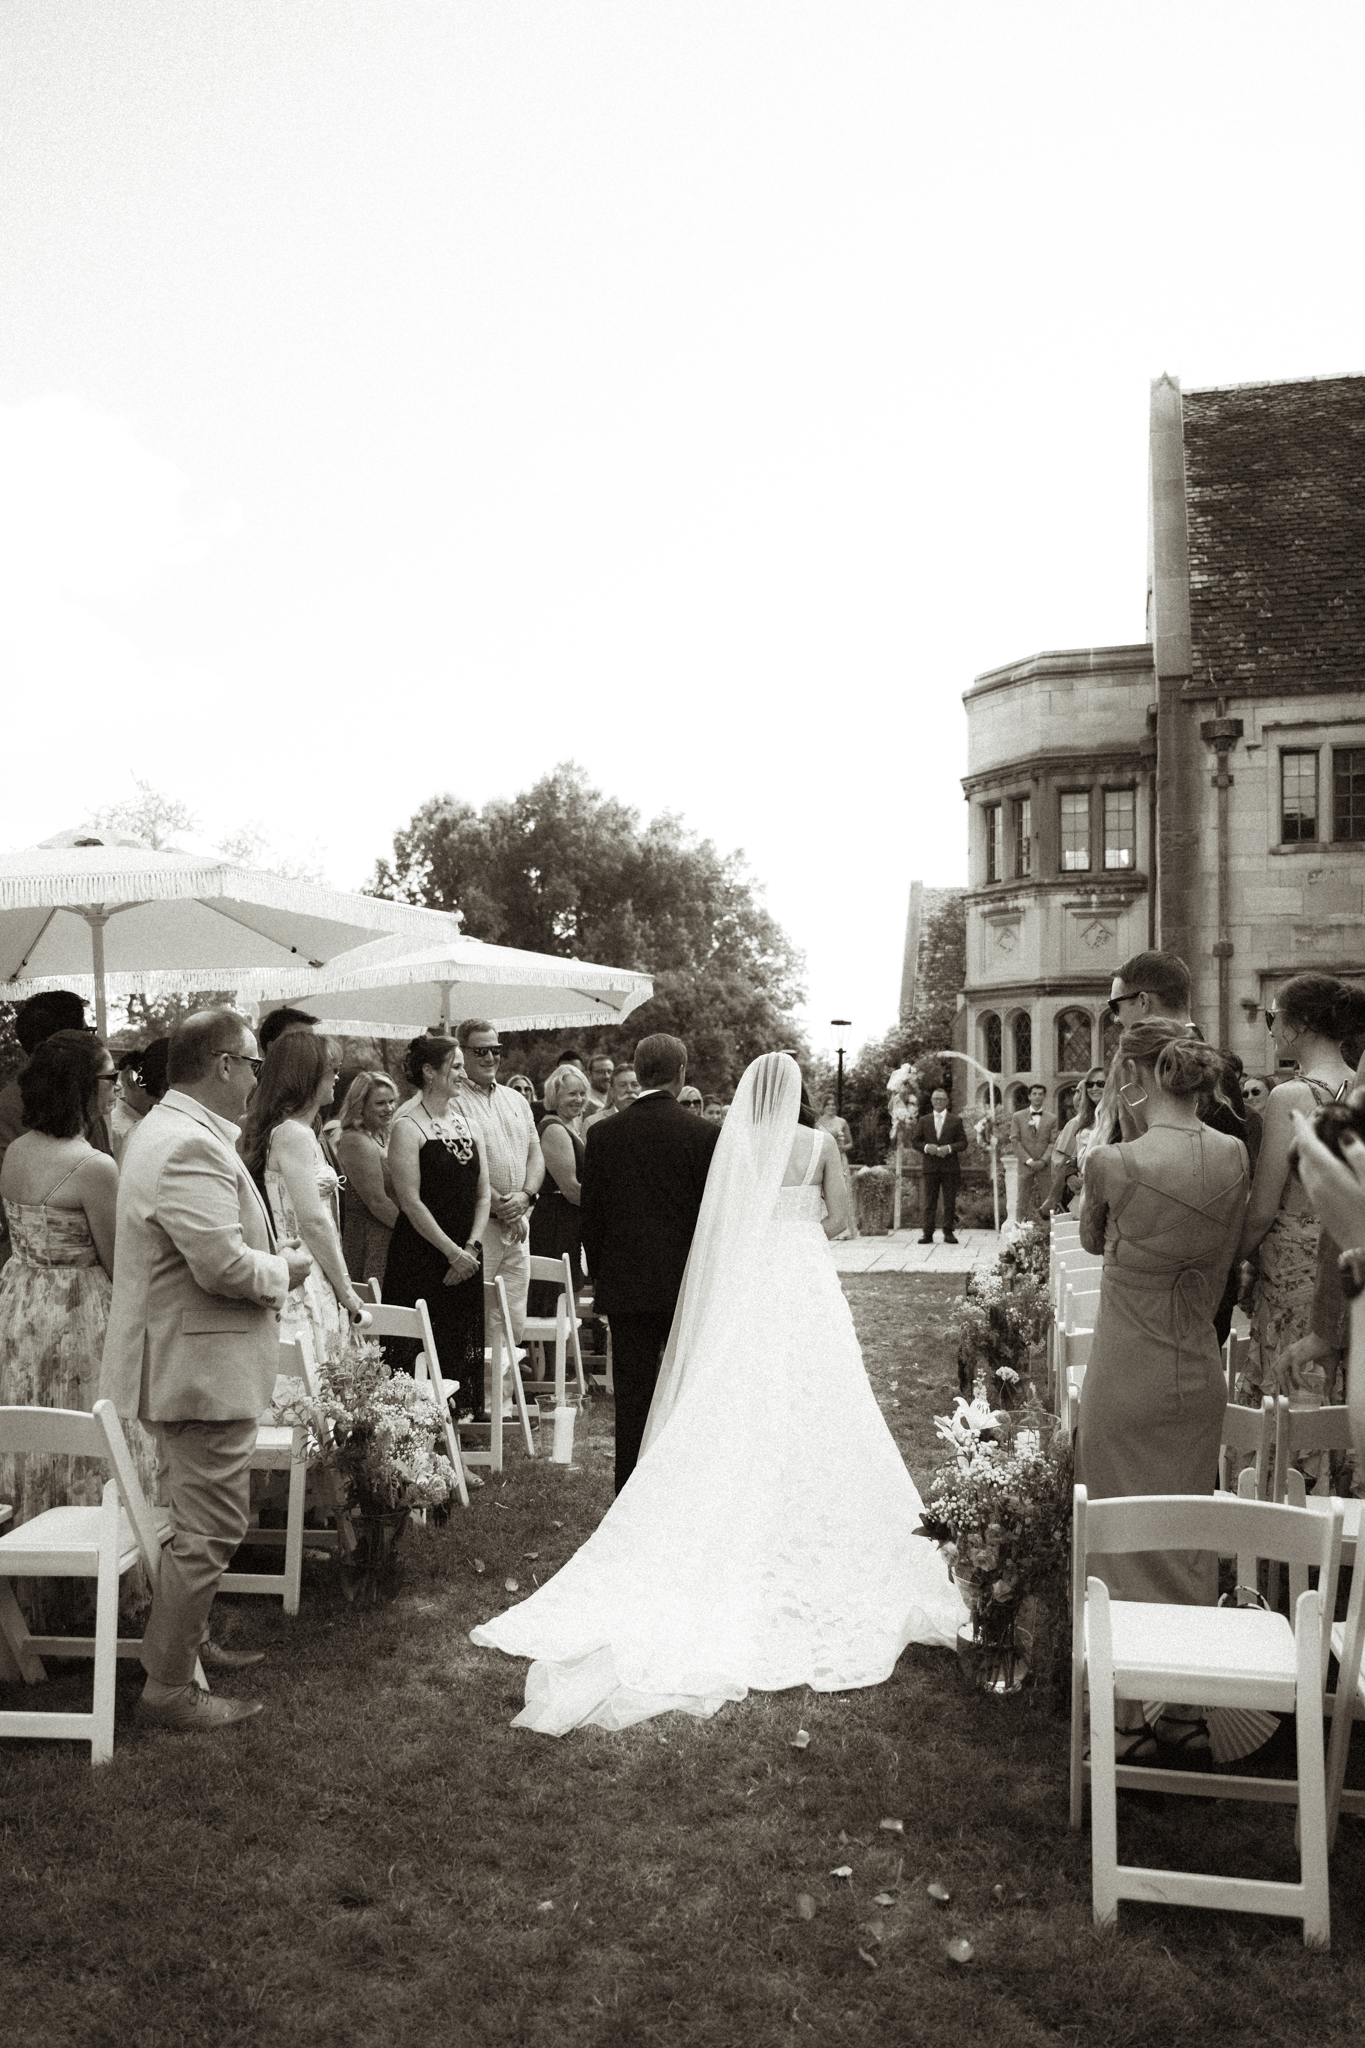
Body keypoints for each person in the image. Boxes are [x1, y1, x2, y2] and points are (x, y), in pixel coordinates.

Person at [471, 1051, 965, 1734]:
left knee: (738, 1387)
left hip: (749, 1277)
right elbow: (842, 1222)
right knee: (821, 1393)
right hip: (803, 1275)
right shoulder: (818, 1143)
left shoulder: (733, 1144)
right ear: (796, 1091)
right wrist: (800, 1229)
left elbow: (716, 1223)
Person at [101, 1008, 312, 1731]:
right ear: (223, 1065)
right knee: (213, 1526)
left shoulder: (173, 1132)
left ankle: (186, 1646)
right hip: (197, 1367)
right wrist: (285, 1269)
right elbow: (220, 1264)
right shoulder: (187, 1143)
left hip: (189, 1360)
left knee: (203, 1519)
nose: (259, 1078)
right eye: (254, 1064)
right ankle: (167, 1688)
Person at [1076, 1020, 1250, 1761]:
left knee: (1116, 1535)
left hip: (1126, 1369)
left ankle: (1123, 1721)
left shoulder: (1111, 1162)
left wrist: (1117, 1126)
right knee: (1186, 1535)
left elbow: (1089, 1241)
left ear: (1134, 1076)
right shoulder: (1236, 1153)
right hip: (1195, 1369)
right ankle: (1182, 1712)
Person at [0, 1033, 161, 1554]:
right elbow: (119, 1264)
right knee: (91, 1439)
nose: (119, 1086)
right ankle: (96, 1568)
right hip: (78, 1313)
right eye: (109, 1077)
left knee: (31, 1436)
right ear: (80, 1086)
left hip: (20, 1304)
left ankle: (33, 1557)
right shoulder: (93, 1166)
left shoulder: (17, 1151)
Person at [578, 1034, 721, 1493]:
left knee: (633, 1398)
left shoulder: (603, 1134)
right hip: (686, 1286)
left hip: (626, 1286)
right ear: (682, 1074)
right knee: (687, 1392)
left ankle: (630, 1491)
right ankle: (684, 1485)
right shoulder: (706, 1135)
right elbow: (712, 1217)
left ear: (637, 1076)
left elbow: (592, 1216)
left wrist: (603, 1276)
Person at [1235, 974, 1365, 1430]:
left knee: (1288, 1414)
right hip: (1347, 1270)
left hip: (1293, 1282)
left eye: (1273, 1017)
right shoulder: (1359, 1088)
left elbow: (1263, 1208)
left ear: (1299, 1024)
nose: (1269, 1029)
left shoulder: (1290, 1095)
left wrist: (1233, 1261)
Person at [243, 1033, 367, 1355]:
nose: (337, 1076)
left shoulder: (300, 1131)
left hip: (315, 1268)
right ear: (307, 1075)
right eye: (331, 1069)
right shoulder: (293, 1134)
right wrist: (346, 1291)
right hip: (306, 1276)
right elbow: (312, 1221)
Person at [384, 1036, 490, 1410]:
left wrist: (471, 1250)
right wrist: (450, 1252)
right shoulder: (407, 1127)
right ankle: (410, 1447)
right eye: (456, 1066)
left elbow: (483, 1194)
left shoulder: (471, 1126)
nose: (464, 1074)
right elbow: (410, 1201)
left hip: (468, 1256)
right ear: (429, 1072)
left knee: (456, 1345)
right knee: (415, 1350)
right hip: (422, 1256)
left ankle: (453, 1445)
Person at [450, 1019, 544, 1344]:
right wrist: (504, 1208)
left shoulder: (516, 1099)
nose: (490, 1057)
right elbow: (463, 1167)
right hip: (480, 1227)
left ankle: (504, 1395)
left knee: (511, 1319)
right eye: (481, 1050)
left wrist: (528, 1196)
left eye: (496, 1050)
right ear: (461, 1052)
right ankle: (483, 1396)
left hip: (519, 1228)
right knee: (477, 1319)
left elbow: (536, 1153)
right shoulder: (453, 1100)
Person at [528, 1063, 589, 1318]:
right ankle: (557, 1358)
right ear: (555, 1096)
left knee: (568, 1293)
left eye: (582, 1093)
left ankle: (563, 1357)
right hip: (556, 1223)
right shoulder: (553, 1129)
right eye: (571, 1094)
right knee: (554, 1300)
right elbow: (571, 1189)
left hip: (568, 1221)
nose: (578, 1100)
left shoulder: (570, 1125)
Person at [334, 1070, 400, 1287]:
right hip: (371, 1239)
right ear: (360, 1106)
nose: (389, 1108)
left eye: (392, 1101)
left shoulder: (385, 1133)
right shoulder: (355, 1140)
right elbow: (377, 1202)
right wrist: (413, 1234)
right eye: (380, 1103)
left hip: (391, 1233)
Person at [1041, 1068, 1108, 1215]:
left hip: (1106, 1187)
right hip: (1081, 1188)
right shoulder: (1085, 1118)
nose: (1094, 1088)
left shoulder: (1117, 1116)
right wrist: (1070, 1174)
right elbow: (1074, 1155)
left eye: (1100, 1083)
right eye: (1089, 1085)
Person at [910, 1087, 967, 1245]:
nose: (938, 1102)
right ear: (932, 1101)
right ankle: (927, 1233)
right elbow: (915, 1141)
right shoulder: (924, 1120)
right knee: (929, 1202)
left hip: (950, 1167)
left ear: (947, 1102)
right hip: (930, 1166)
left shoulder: (955, 1121)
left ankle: (948, 1232)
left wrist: (948, 1149)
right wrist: (928, 1147)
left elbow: (963, 1143)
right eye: (936, 1099)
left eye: (941, 1099)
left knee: (949, 1202)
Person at [1009, 1084, 1057, 1225]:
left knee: (1048, 1200)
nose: (1037, 1097)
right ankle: (1018, 1234)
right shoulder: (1018, 1117)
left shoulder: (1052, 1118)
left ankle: (1049, 1233)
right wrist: (1028, 1160)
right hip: (1025, 1165)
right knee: (1022, 1200)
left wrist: (1043, 1161)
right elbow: (1015, 1140)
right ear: (1029, 1096)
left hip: (1044, 1166)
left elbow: (1053, 1143)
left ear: (1044, 1097)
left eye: (1040, 1094)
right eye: (1034, 1094)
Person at [816, 1093, 860, 1240]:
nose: (831, 1107)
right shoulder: (817, 1122)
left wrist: (841, 1148)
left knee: (841, 1190)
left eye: (833, 1104)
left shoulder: (842, 1122)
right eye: (828, 1104)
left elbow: (850, 1143)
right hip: (822, 1160)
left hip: (840, 1159)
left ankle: (845, 1229)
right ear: (823, 1106)